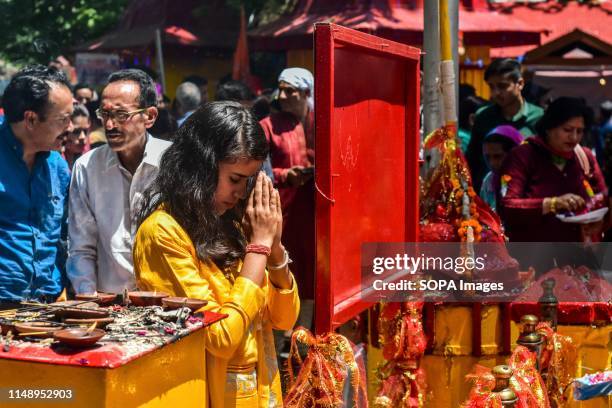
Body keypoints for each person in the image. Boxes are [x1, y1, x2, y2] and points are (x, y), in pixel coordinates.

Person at [134, 101, 299, 407]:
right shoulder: (161, 232)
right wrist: (258, 248)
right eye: (234, 179)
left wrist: (274, 251)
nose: (240, 192)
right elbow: (220, 338)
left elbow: (284, 319)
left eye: (247, 181)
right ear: (201, 168)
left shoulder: (234, 222)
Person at [67, 69, 170, 294]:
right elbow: (81, 248)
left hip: (168, 304)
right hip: (108, 304)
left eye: (122, 115)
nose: (110, 125)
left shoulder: (174, 163)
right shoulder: (87, 167)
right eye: (105, 114)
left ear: (150, 116)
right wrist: (88, 299)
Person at [0, 65, 74, 304]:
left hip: (46, 304)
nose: (70, 128)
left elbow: (66, 233)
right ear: (30, 119)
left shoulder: (58, 166)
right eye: (64, 119)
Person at [499, 97, 607, 243]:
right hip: (533, 256)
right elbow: (507, 206)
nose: (574, 137)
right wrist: (551, 204)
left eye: (580, 131)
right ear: (549, 128)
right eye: (567, 130)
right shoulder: (522, 156)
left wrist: (599, 221)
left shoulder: (584, 157)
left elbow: (603, 197)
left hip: (581, 255)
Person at [260, 67, 315, 323]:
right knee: (282, 271)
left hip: (315, 213)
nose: (281, 96)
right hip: (282, 212)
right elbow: (259, 170)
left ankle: (303, 337)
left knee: (313, 273)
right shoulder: (268, 126)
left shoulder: (320, 121)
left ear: (306, 93)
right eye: (280, 89)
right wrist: (284, 175)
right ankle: (282, 333)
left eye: (289, 90)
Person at [467, 58, 544, 191]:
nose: (496, 93)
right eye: (492, 87)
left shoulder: (539, 117)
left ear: (520, 84)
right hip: (488, 196)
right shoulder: (483, 117)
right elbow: (473, 161)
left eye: (502, 86)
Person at [479, 125, 523, 212]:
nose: (492, 163)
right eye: (487, 157)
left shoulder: (531, 180)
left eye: (498, 156)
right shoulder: (489, 181)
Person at [63, 103, 91, 169]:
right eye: (76, 132)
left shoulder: (91, 160)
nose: (83, 137)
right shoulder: (52, 163)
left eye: (85, 131)